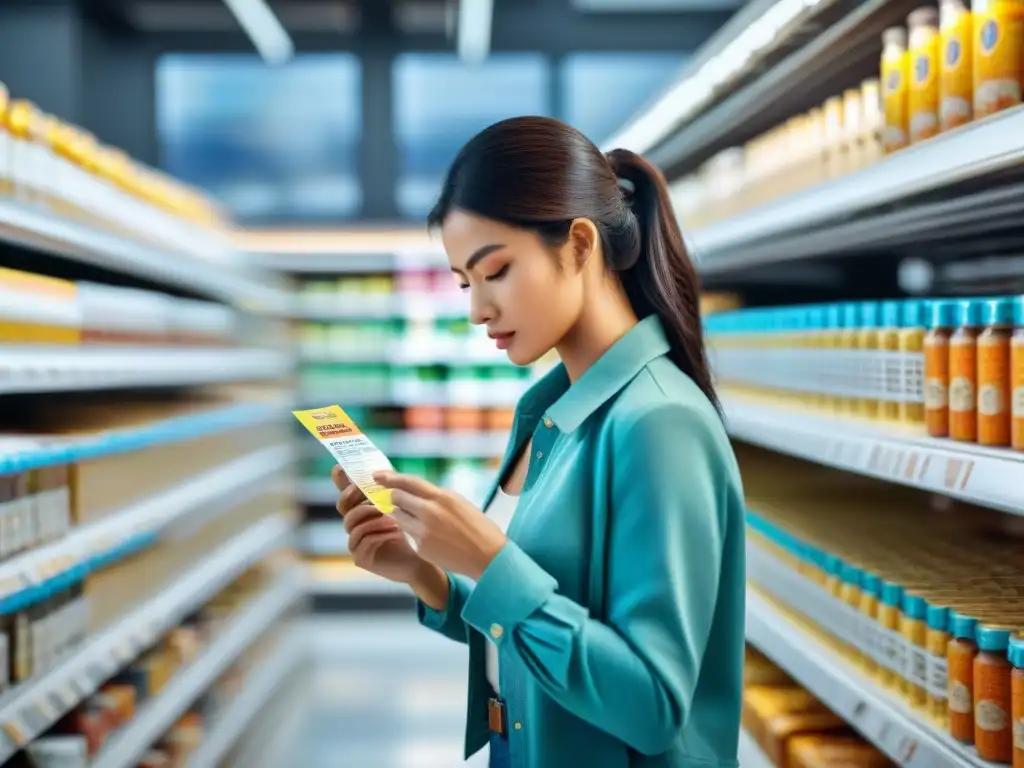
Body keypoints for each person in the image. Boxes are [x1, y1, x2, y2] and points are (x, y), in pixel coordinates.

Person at [332, 115, 746, 768]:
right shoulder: (549, 412)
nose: (477, 311)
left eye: (495, 271)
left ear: (579, 245)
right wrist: (430, 577)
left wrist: (491, 563)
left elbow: (653, 706)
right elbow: (542, 632)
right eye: (466, 283)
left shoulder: (657, 424)